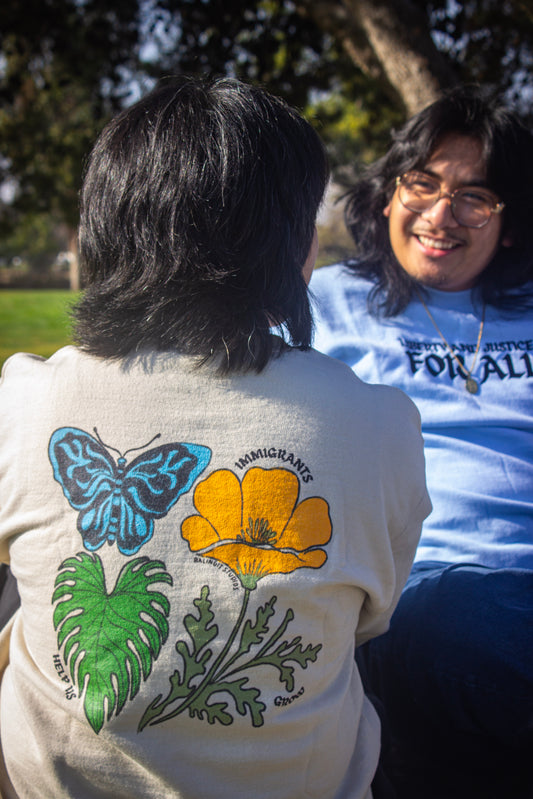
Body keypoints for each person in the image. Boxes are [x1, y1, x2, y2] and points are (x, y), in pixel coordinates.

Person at [0, 76, 430, 799]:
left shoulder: (24, 399)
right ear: (290, 245)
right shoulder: (378, 421)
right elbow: (367, 618)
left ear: (106, 228)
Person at [311, 84, 533, 799]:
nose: (442, 213)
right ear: (387, 195)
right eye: (423, 183)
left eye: (475, 196)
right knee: (456, 615)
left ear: (509, 220)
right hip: (418, 595)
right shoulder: (324, 301)